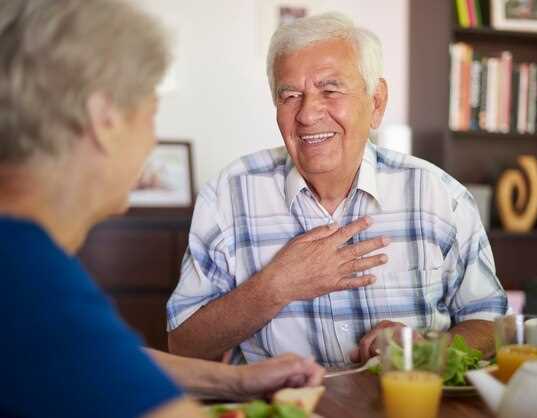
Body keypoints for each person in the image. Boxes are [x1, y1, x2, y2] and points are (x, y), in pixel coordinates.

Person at [0, 1, 324, 418]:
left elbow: (103, 359)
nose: (153, 143)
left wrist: (235, 381)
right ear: (105, 120)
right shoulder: (29, 280)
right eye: (152, 114)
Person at [167, 12, 508, 368]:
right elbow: (183, 344)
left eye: (330, 90)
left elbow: (492, 323)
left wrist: (426, 348)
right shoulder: (227, 195)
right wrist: (275, 287)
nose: (308, 114)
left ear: (376, 103)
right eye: (290, 96)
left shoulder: (439, 196)